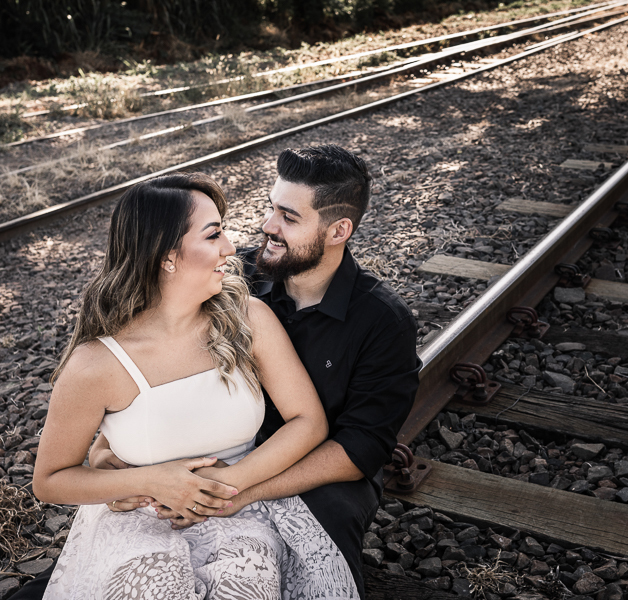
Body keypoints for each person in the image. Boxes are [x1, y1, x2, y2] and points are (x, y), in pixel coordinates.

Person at [49, 145, 420, 599]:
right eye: (271, 208)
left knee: (322, 536)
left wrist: (234, 489)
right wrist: (110, 449)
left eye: (288, 217)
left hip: (313, 467)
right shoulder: (233, 274)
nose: (267, 226)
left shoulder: (382, 321)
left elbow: (360, 447)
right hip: (193, 465)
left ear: (338, 230)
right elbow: (145, 374)